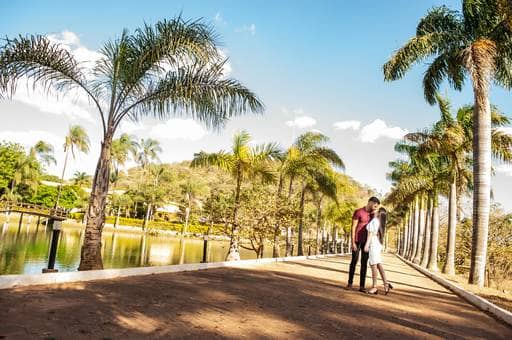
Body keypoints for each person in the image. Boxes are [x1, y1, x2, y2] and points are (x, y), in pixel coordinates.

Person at [347, 196, 380, 292]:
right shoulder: (359, 212)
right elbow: (353, 227)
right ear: (370, 202)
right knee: (354, 261)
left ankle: (362, 286)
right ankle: (350, 283)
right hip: (357, 240)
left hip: (367, 242)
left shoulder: (373, 215)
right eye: (374, 205)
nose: (375, 207)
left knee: (364, 263)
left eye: (376, 206)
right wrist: (352, 242)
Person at [364, 207, 393, 295]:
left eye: (377, 210)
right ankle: (386, 284)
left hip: (373, 243)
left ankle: (374, 287)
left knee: (373, 265)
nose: (375, 211)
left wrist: (367, 244)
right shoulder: (380, 222)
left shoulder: (375, 221)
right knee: (378, 264)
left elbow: (371, 233)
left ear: (379, 213)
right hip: (378, 244)